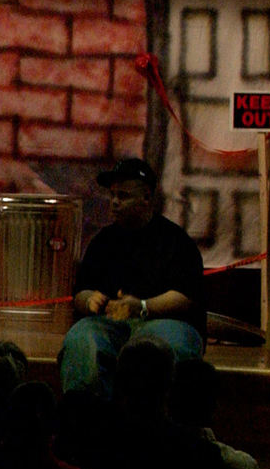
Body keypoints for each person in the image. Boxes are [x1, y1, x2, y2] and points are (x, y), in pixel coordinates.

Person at [58, 157, 205, 400]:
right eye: (112, 195)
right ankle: (86, 420)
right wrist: (90, 301)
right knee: (82, 339)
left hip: (165, 320)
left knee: (155, 349)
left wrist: (142, 307)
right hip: (111, 324)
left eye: (123, 196)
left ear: (147, 197)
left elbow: (186, 296)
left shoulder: (175, 241)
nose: (114, 202)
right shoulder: (103, 241)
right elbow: (81, 292)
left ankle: (153, 427)